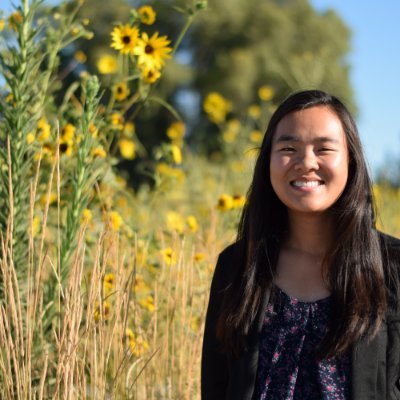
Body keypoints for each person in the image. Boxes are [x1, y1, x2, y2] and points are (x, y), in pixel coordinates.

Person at [201, 90, 400, 400]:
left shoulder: (393, 267)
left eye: (324, 148)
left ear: (351, 159)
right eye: (288, 148)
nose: (306, 162)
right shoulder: (237, 266)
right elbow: (216, 387)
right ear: (267, 160)